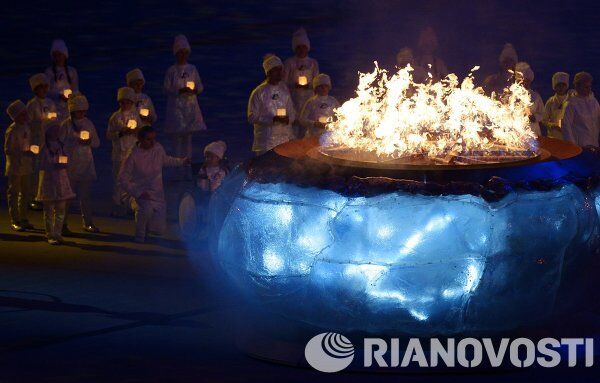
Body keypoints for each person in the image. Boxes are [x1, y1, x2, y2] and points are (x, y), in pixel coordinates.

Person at [118, 126, 190, 243]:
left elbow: (166, 160)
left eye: (153, 139)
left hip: (156, 194)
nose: (152, 142)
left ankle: (148, 224)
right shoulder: (132, 156)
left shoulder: (157, 148)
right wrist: (138, 193)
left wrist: (182, 162)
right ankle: (139, 235)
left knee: (159, 230)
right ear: (140, 139)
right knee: (145, 209)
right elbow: (122, 178)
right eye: (148, 139)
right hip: (139, 193)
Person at [163, 34, 207, 162]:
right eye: (180, 52)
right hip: (176, 108)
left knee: (188, 138)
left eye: (185, 52)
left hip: (190, 107)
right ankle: (177, 164)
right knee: (177, 138)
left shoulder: (192, 69)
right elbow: (166, 88)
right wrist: (178, 91)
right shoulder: (171, 71)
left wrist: (194, 90)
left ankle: (187, 165)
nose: (182, 55)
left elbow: (200, 86)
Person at [61, 94, 100, 234]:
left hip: (86, 164)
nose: (82, 113)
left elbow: (96, 143)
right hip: (70, 165)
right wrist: (73, 143)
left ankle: (88, 222)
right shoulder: (66, 125)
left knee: (86, 196)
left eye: (84, 111)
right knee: (67, 197)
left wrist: (88, 142)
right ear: (72, 111)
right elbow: (59, 143)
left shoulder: (88, 123)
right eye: (79, 111)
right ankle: (62, 223)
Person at [248, 54, 296, 155]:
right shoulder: (259, 92)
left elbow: (292, 113)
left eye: (280, 69)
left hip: (284, 140)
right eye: (276, 70)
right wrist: (273, 119)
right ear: (268, 72)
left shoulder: (284, 91)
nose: (279, 73)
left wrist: (288, 119)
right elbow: (252, 117)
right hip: (265, 143)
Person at [36, 123, 76, 245]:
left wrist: (64, 164)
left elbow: (66, 159)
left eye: (57, 131)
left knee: (60, 209)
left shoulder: (60, 146)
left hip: (61, 181)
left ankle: (57, 233)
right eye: (54, 131)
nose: (56, 133)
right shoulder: (45, 148)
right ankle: (50, 234)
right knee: (48, 210)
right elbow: (40, 165)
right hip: (49, 181)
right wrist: (54, 165)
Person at [107, 87, 142, 217]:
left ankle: (130, 205)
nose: (125, 104)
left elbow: (140, 132)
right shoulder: (115, 117)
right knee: (118, 179)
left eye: (128, 102)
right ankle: (117, 205)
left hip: (132, 152)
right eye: (123, 102)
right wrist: (121, 133)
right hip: (119, 153)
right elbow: (109, 134)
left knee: (131, 179)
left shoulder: (135, 116)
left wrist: (135, 131)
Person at [26, 73, 59, 210]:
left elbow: (55, 119)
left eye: (46, 87)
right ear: (36, 89)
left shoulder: (50, 103)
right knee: (35, 168)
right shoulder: (32, 104)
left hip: (48, 140)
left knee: (47, 168)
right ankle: (32, 197)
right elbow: (28, 123)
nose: (44, 90)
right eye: (41, 88)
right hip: (36, 139)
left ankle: (44, 194)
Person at [283, 28, 319, 137]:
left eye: (303, 47)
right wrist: (294, 85)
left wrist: (309, 86)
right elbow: (284, 82)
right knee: (294, 128)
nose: (301, 49)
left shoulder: (313, 63)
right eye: (299, 47)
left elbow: (318, 81)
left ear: (307, 47)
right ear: (295, 48)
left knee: (307, 128)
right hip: (294, 99)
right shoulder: (289, 62)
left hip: (308, 99)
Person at [5, 100, 34, 231]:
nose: (25, 116)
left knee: (26, 192)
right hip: (15, 167)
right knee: (14, 193)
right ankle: (15, 219)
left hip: (26, 165)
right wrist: (23, 152)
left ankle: (24, 218)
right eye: (22, 114)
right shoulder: (12, 130)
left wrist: (31, 152)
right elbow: (8, 149)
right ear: (16, 116)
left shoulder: (26, 127)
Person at [562, 72, 600, 148]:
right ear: (577, 87)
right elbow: (566, 126)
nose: (588, 89)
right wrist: (573, 146)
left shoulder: (594, 102)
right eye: (585, 87)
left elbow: (597, 121)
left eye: (589, 86)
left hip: (594, 146)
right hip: (581, 147)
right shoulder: (571, 104)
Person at [44, 39, 79, 121]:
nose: (58, 58)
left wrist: (72, 98)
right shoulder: (49, 72)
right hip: (53, 107)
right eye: (55, 55)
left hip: (68, 107)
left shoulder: (72, 71)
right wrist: (59, 96)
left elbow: (75, 90)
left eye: (60, 55)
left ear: (64, 55)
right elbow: (46, 92)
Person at [299, 74, 340, 138]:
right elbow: (302, 119)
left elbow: (340, 116)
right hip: (313, 136)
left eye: (326, 86)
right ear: (316, 88)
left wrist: (334, 124)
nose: (324, 88)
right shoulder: (311, 102)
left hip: (329, 137)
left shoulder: (333, 101)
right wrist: (314, 124)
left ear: (329, 87)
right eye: (321, 86)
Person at [515, 62, 544, 137]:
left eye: (526, 80)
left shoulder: (536, 96)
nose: (524, 83)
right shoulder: (514, 95)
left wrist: (535, 117)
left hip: (532, 129)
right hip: (518, 130)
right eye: (522, 80)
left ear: (530, 81)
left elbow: (542, 113)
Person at [542, 72, 570, 140]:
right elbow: (544, 120)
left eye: (563, 85)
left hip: (568, 136)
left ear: (566, 86)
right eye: (558, 85)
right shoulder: (550, 102)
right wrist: (553, 126)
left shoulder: (571, 101)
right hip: (554, 137)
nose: (561, 88)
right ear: (554, 87)